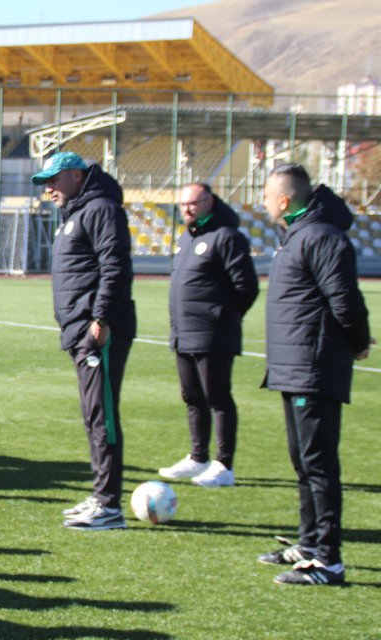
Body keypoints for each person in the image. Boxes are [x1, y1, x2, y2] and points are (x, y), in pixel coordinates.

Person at [258, 164, 372, 586]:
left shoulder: (322, 236)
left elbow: (344, 299)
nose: (264, 203)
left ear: (284, 200)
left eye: (268, 196)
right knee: (303, 461)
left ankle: (328, 560)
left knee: (319, 464)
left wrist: (359, 342)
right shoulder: (298, 235)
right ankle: (308, 545)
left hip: (314, 365)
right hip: (294, 366)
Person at [34, 151, 136, 532]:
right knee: (93, 414)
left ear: (76, 176)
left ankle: (109, 506)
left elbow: (115, 266)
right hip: (80, 331)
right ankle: (101, 495)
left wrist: (102, 318)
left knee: (102, 415)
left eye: (54, 179)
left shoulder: (101, 210)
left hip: (98, 331)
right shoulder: (75, 214)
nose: (48, 188)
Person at [158, 183, 258, 488]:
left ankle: (224, 464)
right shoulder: (186, 238)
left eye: (193, 203)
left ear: (210, 202)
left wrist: (221, 318)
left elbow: (246, 287)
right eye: (183, 204)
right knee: (192, 397)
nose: (187, 209)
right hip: (184, 333)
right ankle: (197, 457)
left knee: (218, 398)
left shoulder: (227, 237)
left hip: (213, 335)